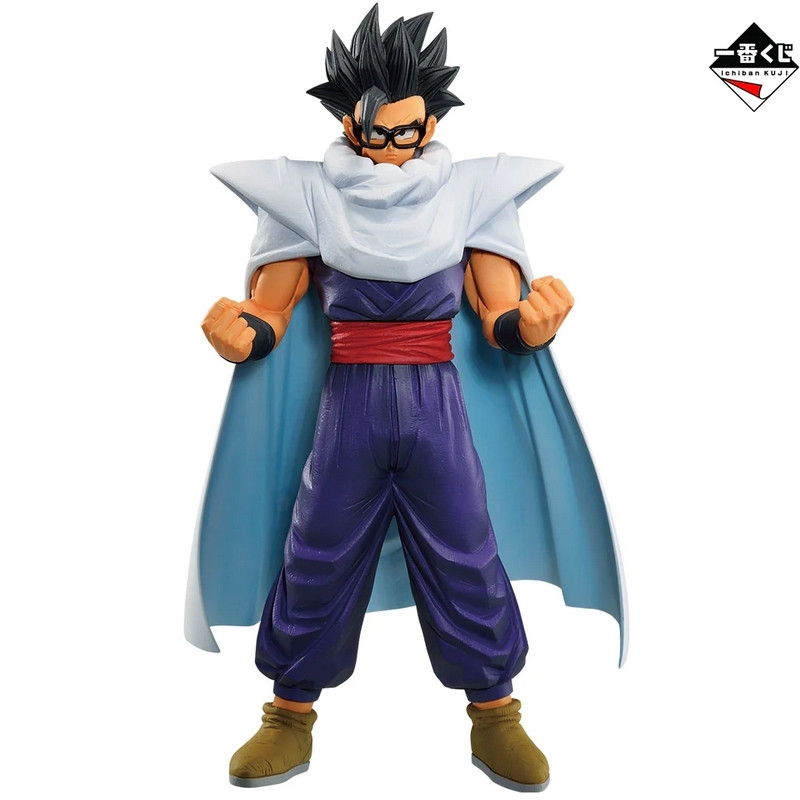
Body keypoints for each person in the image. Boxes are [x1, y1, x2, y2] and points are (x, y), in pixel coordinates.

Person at [185, 5, 626, 792]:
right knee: (316, 550)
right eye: (377, 131)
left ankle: (496, 712)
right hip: (348, 406)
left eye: (407, 130)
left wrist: (529, 325)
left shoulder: (472, 197)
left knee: (466, 549)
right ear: (348, 123)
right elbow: (272, 311)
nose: (392, 145)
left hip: (437, 407)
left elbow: (496, 315)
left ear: (431, 123)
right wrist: (241, 333)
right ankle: (289, 713)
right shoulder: (307, 200)